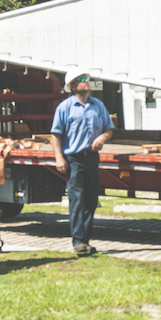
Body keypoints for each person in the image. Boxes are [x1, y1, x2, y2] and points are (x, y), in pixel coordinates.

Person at [50, 69, 114, 256]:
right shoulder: (65, 107)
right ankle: (78, 241)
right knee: (77, 200)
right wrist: (59, 157)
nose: (88, 82)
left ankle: (85, 241)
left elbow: (109, 129)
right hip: (74, 159)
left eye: (88, 79)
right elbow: (56, 134)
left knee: (91, 200)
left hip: (92, 158)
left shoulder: (98, 105)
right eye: (83, 79)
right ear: (72, 86)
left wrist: (102, 137)